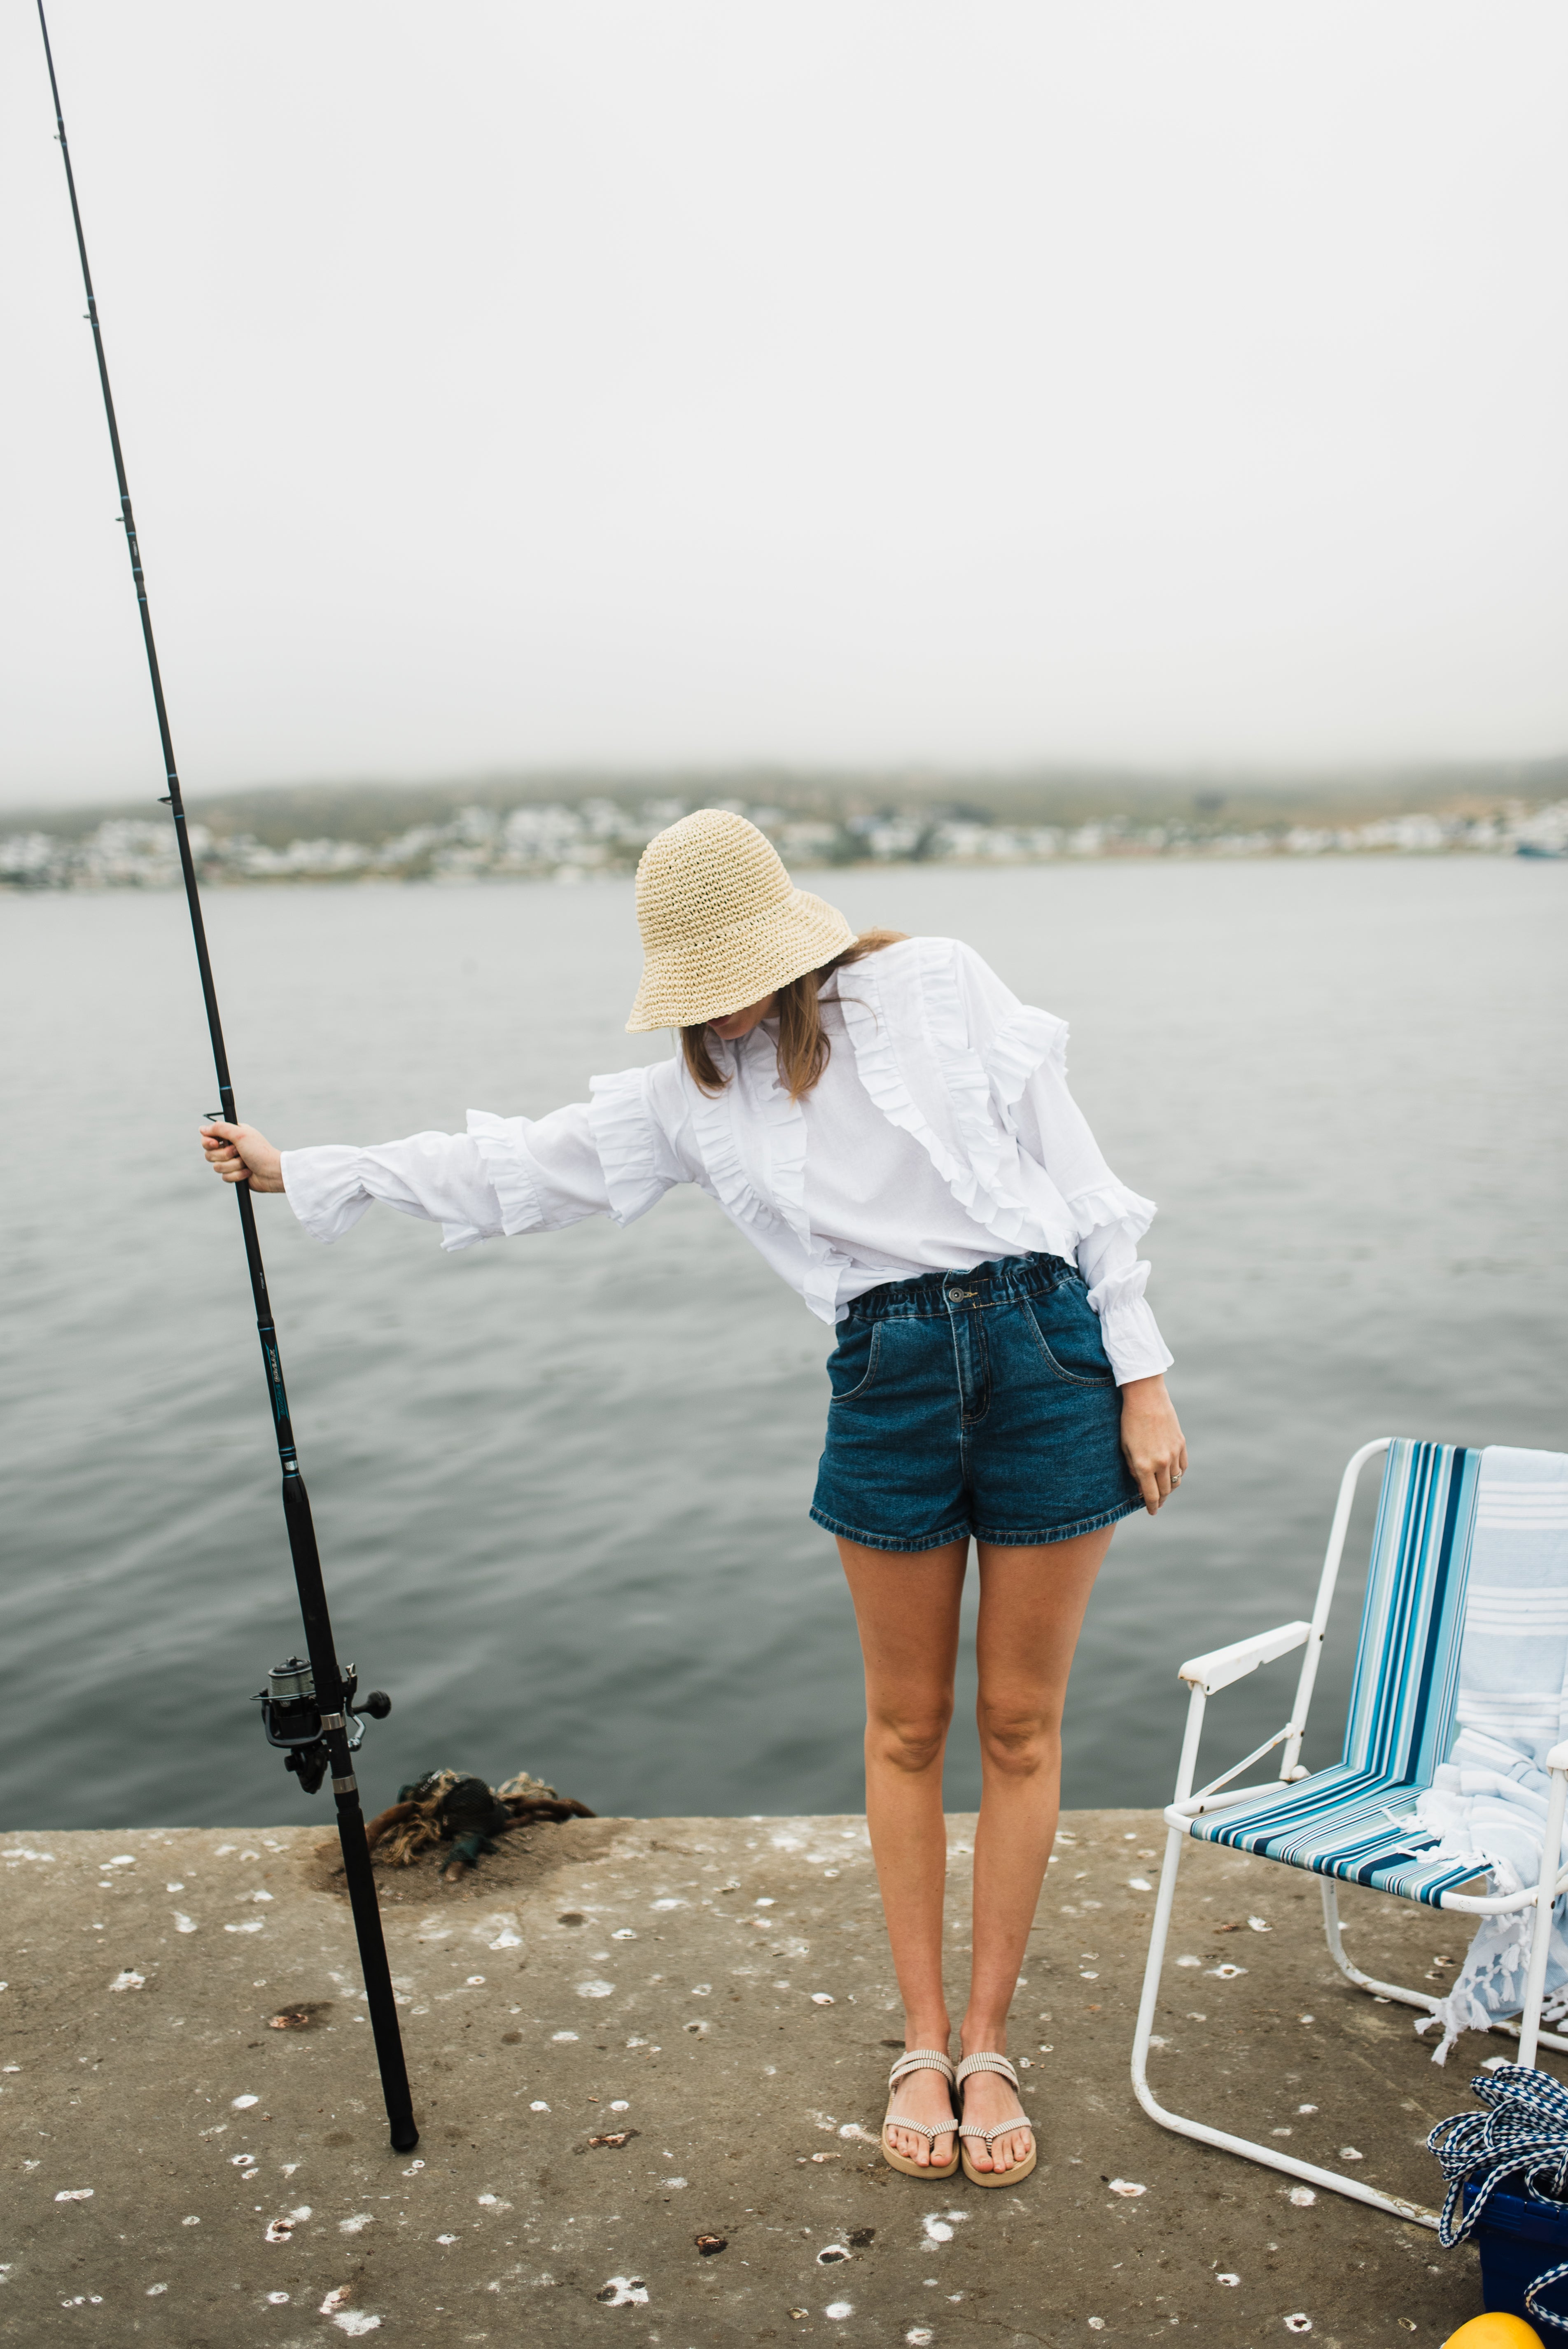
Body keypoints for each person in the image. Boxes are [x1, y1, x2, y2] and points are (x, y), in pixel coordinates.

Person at [199, 807, 1185, 2187]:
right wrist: (309, 1166)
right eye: (697, 980)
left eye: (738, 967)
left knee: (1022, 1723)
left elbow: (1083, 1181)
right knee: (909, 1724)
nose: (721, 1003)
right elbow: (516, 1167)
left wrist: (1143, 1374)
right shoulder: (690, 1095)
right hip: (888, 1377)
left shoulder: (936, 985)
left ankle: (990, 2038)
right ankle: (920, 2038)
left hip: (1047, 1351)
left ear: (789, 941)